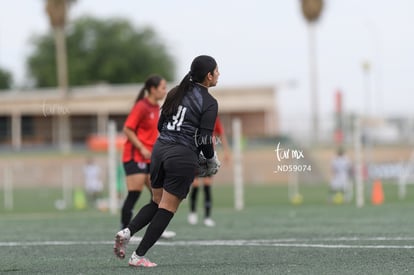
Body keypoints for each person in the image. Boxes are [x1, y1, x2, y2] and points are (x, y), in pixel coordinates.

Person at [113, 55, 221, 267]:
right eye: (217, 71)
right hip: (180, 156)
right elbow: (205, 139)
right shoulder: (209, 102)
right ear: (208, 76)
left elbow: (161, 126)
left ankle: (127, 232)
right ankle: (138, 256)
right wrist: (210, 158)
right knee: (168, 208)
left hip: (159, 150)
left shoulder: (175, 92)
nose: (218, 74)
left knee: (156, 201)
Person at [119, 75, 174, 240]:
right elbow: (128, 129)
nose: (165, 91)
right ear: (152, 89)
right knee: (134, 194)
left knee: (159, 196)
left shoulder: (157, 108)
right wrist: (142, 148)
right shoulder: (141, 106)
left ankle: (157, 229)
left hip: (151, 158)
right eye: (163, 87)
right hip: (135, 156)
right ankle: (124, 231)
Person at [188, 116, 231, 227]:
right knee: (196, 184)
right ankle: (193, 213)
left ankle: (207, 217)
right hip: (195, 155)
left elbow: (220, 134)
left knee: (207, 184)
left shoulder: (213, 117)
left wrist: (226, 151)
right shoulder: (195, 115)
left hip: (208, 156)